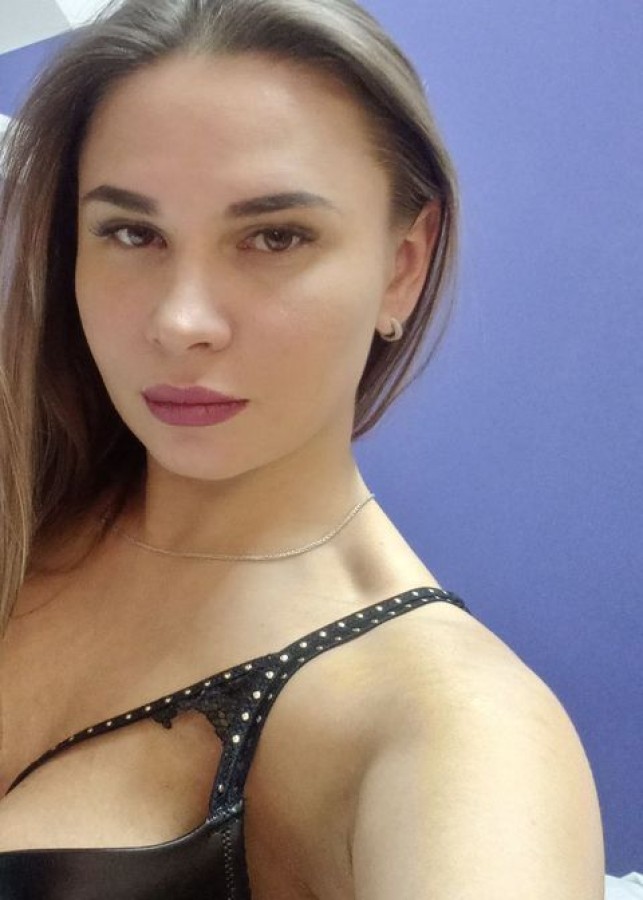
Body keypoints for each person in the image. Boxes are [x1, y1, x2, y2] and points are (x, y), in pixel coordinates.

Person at [0, 0, 604, 897]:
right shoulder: (21, 513)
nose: (182, 321)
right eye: (132, 233)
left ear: (402, 265)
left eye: (274, 237)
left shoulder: (451, 725)